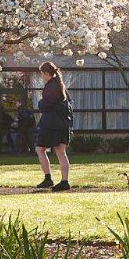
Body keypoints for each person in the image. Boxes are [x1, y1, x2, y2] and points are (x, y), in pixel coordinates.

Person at [33, 62, 74, 191]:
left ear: (46, 73)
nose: (42, 76)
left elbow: (45, 105)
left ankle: (48, 178)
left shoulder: (50, 87)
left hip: (51, 124)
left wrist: (40, 102)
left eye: (42, 74)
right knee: (61, 152)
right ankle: (64, 181)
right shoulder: (61, 86)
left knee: (40, 149)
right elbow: (69, 105)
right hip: (63, 124)